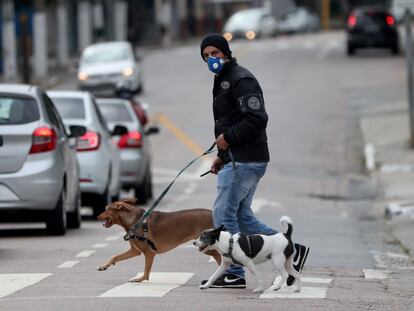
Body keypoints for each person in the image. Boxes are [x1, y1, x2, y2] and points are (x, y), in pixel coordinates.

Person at [200, 33, 309, 288]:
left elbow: (257, 118)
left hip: (247, 159)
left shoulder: (241, 79)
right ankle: (294, 250)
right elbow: (230, 121)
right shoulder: (223, 79)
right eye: (206, 56)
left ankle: (235, 272)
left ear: (225, 52)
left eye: (214, 53)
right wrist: (221, 156)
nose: (210, 60)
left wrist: (228, 138)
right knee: (243, 217)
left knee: (223, 214)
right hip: (238, 158)